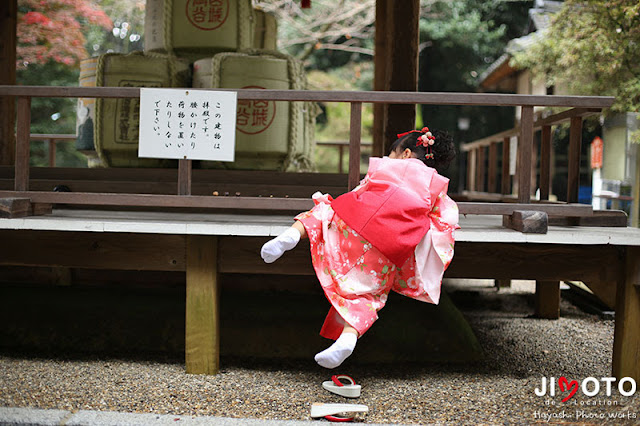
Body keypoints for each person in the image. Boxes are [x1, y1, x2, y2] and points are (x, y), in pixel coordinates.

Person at [260, 127, 459, 369]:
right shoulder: (437, 187)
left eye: (393, 153)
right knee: (369, 295)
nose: (390, 158)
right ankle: (347, 339)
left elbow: (361, 191)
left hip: (356, 223)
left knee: (325, 210)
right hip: (388, 245)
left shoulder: (387, 167)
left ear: (406, 153)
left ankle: (291, 235)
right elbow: (444, 223)